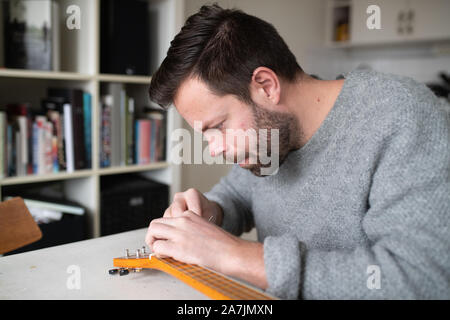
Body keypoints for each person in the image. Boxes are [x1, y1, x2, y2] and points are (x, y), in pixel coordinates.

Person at [145, 4, 450, 299]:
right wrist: (211, 211)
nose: (216, 149)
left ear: (266, 86)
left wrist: (235, 256)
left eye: (219, 126)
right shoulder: (270, 140)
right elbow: (239, 194)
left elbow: (420, 280)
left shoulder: (402, 114)